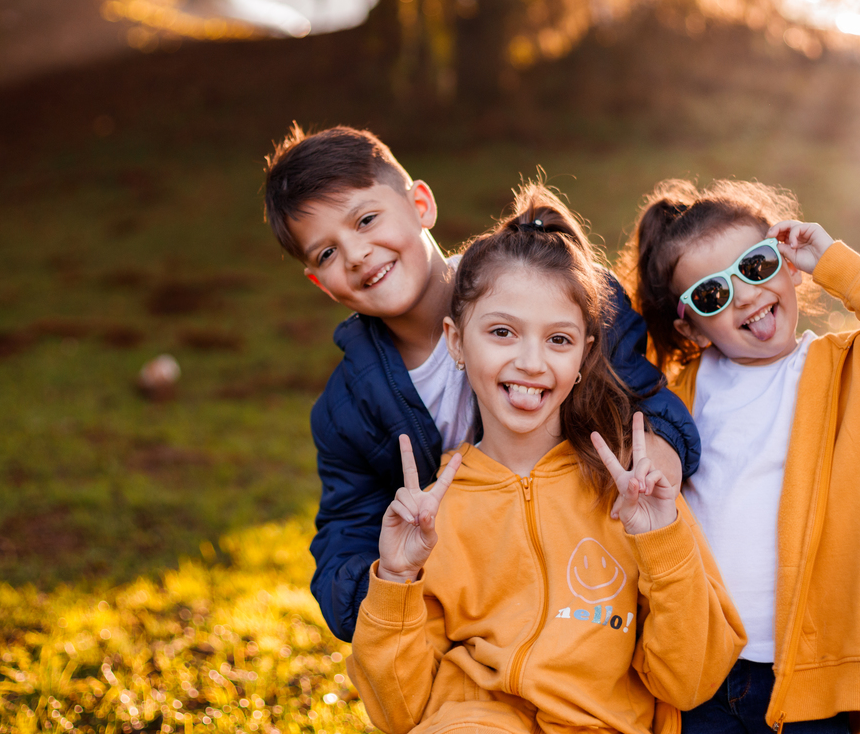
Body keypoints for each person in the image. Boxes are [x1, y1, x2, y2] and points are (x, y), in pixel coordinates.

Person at [346, 186, 745, 734]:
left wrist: (662, 540)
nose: (531, 362)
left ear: (584, 356)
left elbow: (688, 682)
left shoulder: (631, 490)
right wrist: (397, 576)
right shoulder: (435, 507)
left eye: (557, 339)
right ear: (457, 340)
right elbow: (397, 709)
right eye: (502, 332)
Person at [261, 126, 700, 642]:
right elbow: (345, 538)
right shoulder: (346, 409)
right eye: (327, 254)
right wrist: (393, 586)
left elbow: (653, 408)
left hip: (595, 599)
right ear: (318, 281)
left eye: (366, 219)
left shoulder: (568, 293)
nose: (356, 253)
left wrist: (653, 479)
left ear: (421, 203)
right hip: (477, 626)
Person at [621, 179, 860, 734]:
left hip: (806, 674)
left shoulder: (849, 376)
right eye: (711, 295)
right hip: (702, 671)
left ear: (789, 266)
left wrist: (833, 261)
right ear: (692, 327)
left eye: (756, 265)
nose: (745, 296)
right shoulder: (678, 399)